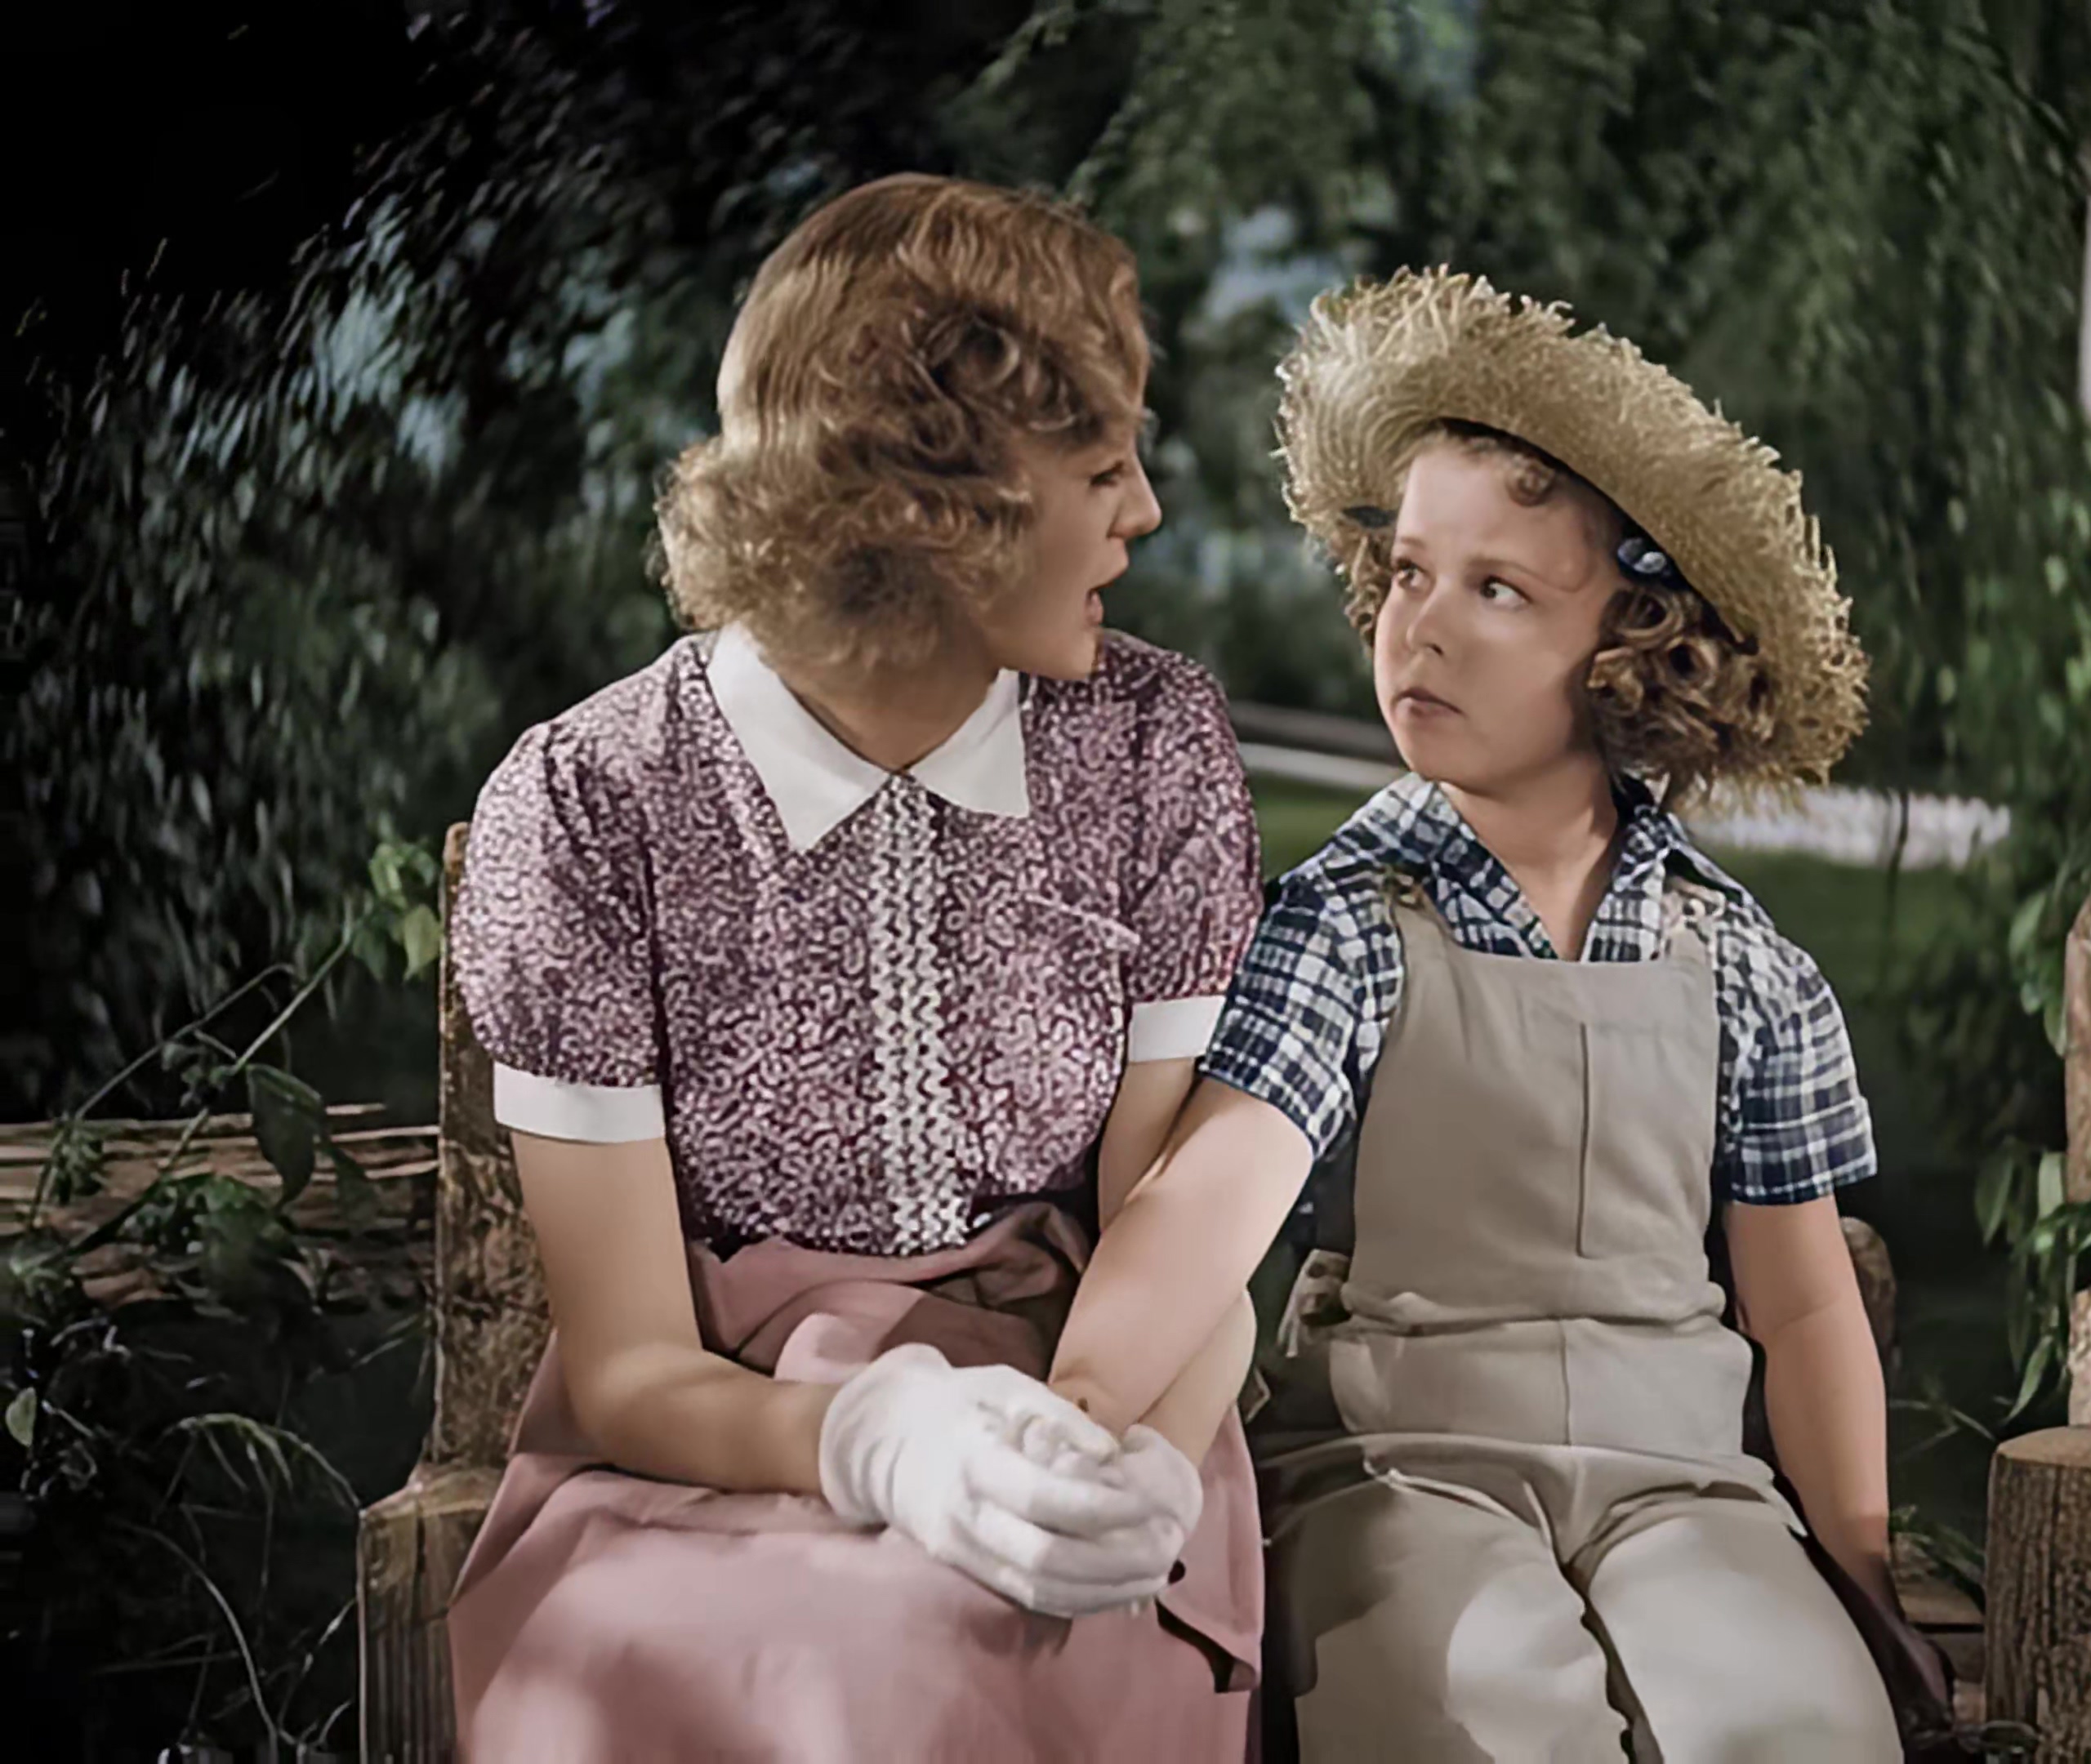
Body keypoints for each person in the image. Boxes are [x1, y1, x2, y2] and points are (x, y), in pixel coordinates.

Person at [1044, 268, 1954, 1761]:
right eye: (1408, 573)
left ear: (1639, 646)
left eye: (1499, 591)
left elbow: (1800, 1304)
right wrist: (1079, 1410)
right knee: (1466, 1717)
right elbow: (1211, 1195)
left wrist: (1860, 1567)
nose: (1424, 629)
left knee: (1794, 1726)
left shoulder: (1744, 962)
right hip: (1403, 1468)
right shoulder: (1348, 922)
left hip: (1685, 1486)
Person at [439, 174, 1265, 1762]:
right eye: (1101, 467)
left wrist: (1135, 1465)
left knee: (957, 1646)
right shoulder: (593, 804)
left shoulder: (1153, 747)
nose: (1146, 513)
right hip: (707, 1458)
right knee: (820, 1674)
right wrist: (877, 1444)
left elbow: (1180, 1234)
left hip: (1085, 1401)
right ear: (933, 505)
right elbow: (628, 1368)